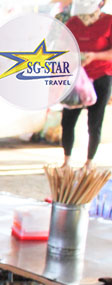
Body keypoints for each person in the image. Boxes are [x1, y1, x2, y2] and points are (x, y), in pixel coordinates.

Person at [61, 0, 112, 169]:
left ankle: (89, 162)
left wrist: (94, 56)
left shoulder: (109, 22)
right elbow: (61, 47)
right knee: (68, 120)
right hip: (75, 77)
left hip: (101, 76)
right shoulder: (73, 22)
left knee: (95, 121)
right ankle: (66, 160)